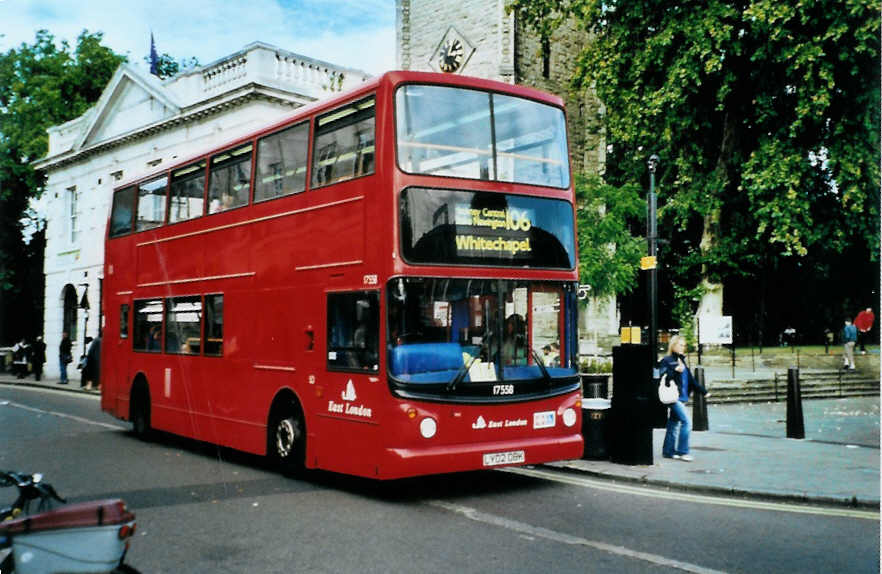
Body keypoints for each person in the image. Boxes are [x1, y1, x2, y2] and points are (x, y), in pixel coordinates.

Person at [659, 335, 708, 462]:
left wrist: (703, 392)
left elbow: (691, 380)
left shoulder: (682, 361)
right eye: (680, 345)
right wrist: (675, 370)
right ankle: (683, 451)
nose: (683, 347)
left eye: (684, 345)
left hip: (682, 397)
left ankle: (668, 451)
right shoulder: (667, 360)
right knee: (687, 423)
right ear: (673, 345)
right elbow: (663, 377)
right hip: (674, 398)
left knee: (673, 424)